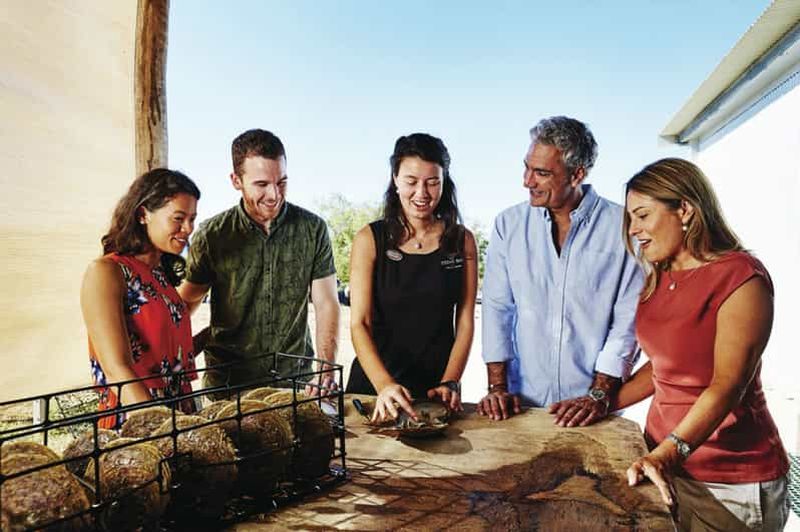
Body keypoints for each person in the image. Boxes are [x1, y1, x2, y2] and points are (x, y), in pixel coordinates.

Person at [620, 158, 790, 531]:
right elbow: (665, 364)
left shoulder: (741, 277)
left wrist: (668, 452)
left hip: (730, 480)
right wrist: (601, 404)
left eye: (643, 215)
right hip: (664, 465)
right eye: (631, 218)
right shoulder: (658, 277)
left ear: (684, 209)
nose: (634, 229)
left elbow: (728, 384)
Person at [478, 116, 643, 424]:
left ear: (577, 174)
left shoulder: (624, 229)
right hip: (519, 407)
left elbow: (627, 323)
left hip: (592, 410)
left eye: (540, 173)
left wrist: (598, 395)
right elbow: (497, 309)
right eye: (526, 168)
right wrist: (497, 387)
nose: (527, 181)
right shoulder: (508, 225)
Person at [178, 129, 339, 397]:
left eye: (282, 182)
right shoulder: (212, 235)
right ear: (236, 180)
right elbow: (186, 305)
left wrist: (327, 367)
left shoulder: (313, 229)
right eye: (262, 185)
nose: (274, 195)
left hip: (295, 382)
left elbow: (326, 303)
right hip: (228, 386)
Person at [346, 133, 478, 422]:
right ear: (395, 179)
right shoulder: (369, 239)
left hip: (435, 393)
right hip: (374, 392)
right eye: (411, 181)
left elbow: (465, 319)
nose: (422, 193)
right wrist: (385, 386)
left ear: (444, 182)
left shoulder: (462, 240)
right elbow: (359, 323)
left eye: (433, 182)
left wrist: (450, 381)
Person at [81, 168, 201, 428]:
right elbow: (116, 369)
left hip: (179, 413)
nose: (188, 229)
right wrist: (161, 428)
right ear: (143, 214)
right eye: (178, 218)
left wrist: (222, 333)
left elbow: (166, 358)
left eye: (192, 219)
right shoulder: (106, 272)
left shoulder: (161, 277)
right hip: (136, 420)